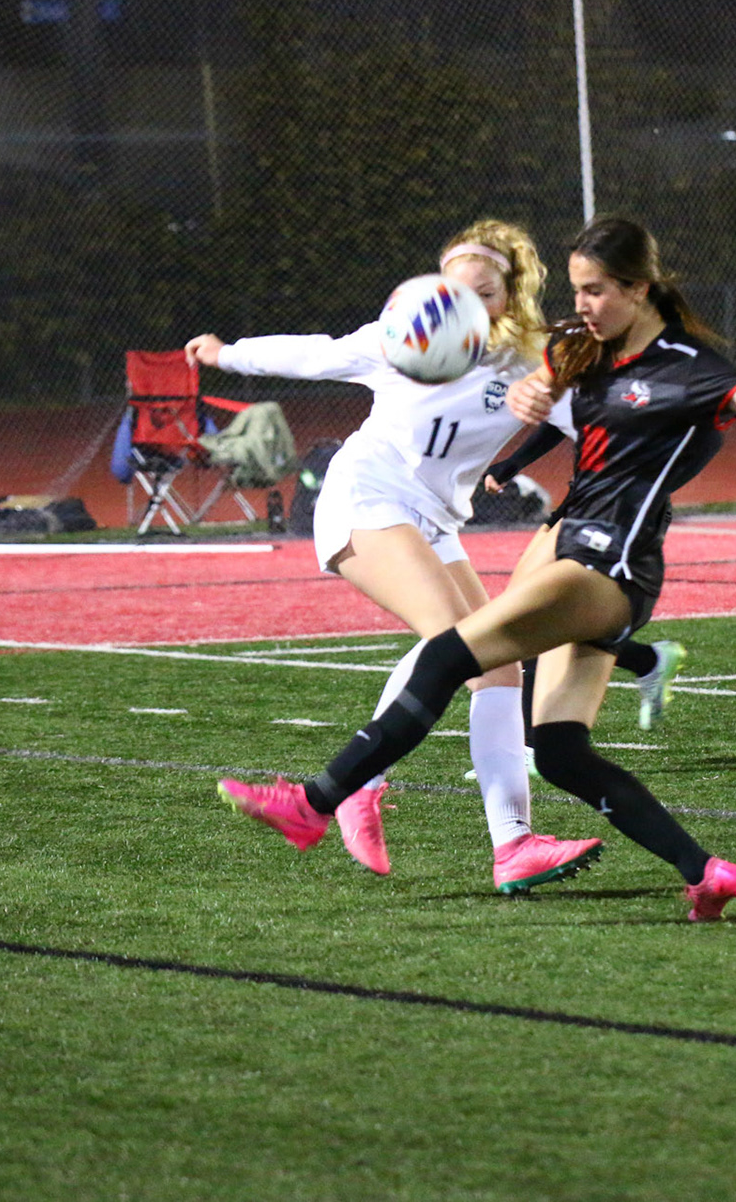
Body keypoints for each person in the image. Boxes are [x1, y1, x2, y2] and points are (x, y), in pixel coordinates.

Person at [219, 216, 736, 921]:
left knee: (465, 662)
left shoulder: (651, 365)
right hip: (388, 504)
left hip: (593, 554)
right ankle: (682, 868)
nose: (583, 305)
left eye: (595, 291)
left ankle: (330, 798)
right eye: (578, 291)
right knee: (539, 729)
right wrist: (226, 354)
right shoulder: (512, 348)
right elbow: (318, 354)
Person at [184, 219, 604, 895]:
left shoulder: (531, 361)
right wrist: (227, 353)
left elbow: (597, 427)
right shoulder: (402, 337)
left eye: (483, 290)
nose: (462, 302)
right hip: (367, 497)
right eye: (452, 287)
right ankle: (348, 787)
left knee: (500, 666)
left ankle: (514, 845)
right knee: (461, 644)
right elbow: (315, 354)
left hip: (435, 521)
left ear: (510, 292)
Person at [483, 428, 687, 732]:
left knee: (533, 615)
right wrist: (514, 463)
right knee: (530, 612)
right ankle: (645, 660)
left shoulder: (658, 402)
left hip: (620, 503)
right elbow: (562, 418)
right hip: (582, 495)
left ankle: (532, 745)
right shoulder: (593, 398)